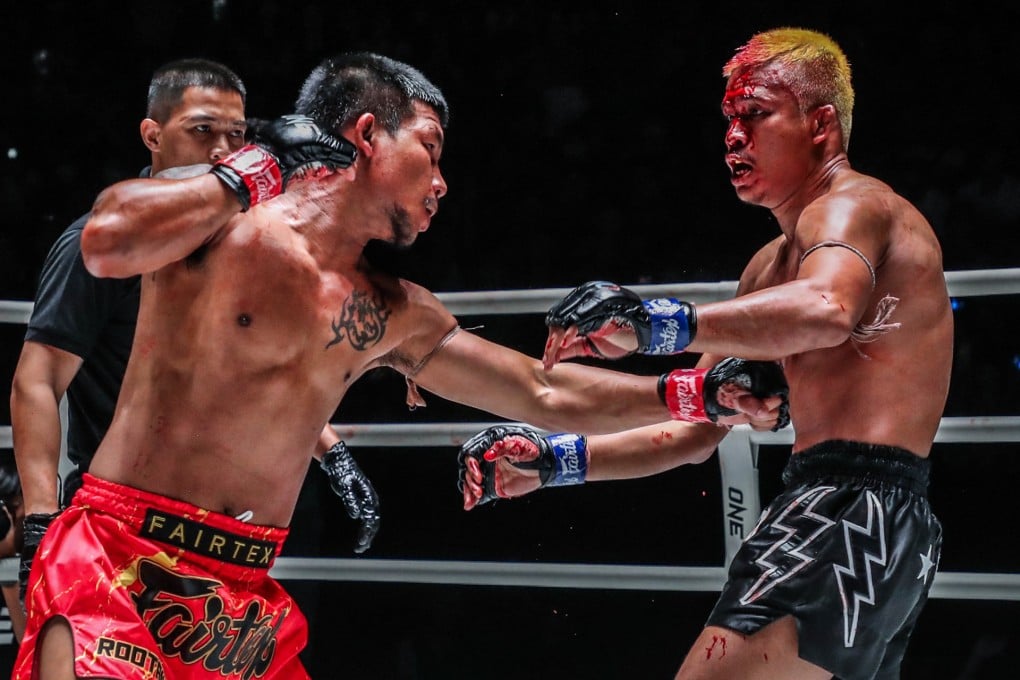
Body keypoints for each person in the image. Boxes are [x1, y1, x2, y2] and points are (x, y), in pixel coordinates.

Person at [12, 51, 786, 678]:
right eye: (431, 149)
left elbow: (541, 388)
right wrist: (248, 169)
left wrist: (696, 391)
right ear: (366, 134)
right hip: (120, 558)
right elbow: (105, 241)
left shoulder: (391, 309)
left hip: (242, 598)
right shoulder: (224, 217)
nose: (442, 183)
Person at [460, 28, 950, 680]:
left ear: (820, 124)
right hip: (868, 521)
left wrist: (657, 324)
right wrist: (555, 461)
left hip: (847, 512)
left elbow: (828, 310)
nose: (733, 136)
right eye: (728, 118)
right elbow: (692, 431)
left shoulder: (855, 207)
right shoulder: (764, 272)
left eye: (755, 114)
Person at [8, 55, 379, 654]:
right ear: (153, 135)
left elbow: (258, 363)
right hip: (122, 530)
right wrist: (39, 520)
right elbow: (39, 378)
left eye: (238, 136)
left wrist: (332, 453)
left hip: (225, 544)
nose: (223, 149)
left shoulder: (247, 246)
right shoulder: (108, 241)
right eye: (203, 130)